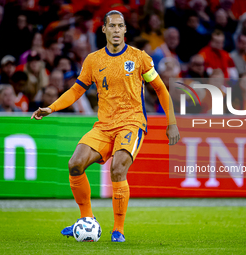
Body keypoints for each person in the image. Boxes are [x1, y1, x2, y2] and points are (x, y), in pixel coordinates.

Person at [31, 10, 180, 242]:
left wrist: (171, 122)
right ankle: (86, 219)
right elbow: (76, 90)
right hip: (104, 126)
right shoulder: (93, 60)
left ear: (125, 30)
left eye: (121, 26)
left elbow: (161, 88)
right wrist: (52, 107)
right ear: (104, 29)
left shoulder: (139, 58)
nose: (117, 30)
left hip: (131, 123)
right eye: (112, 26)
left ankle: (118, 230)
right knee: (75, 165)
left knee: (118, 169)